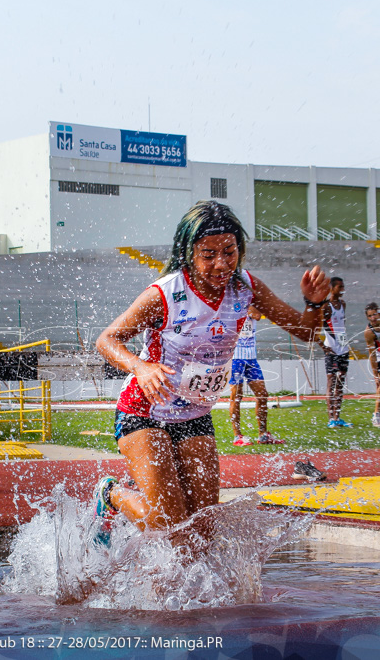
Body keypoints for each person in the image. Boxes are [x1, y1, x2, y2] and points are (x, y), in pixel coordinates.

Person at [95, 200, 327, 541]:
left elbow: (306, 332)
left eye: (229, 252)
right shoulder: (165, 293)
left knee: (203, 531)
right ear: (189, 252)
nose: (221, 264)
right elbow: (107, 339)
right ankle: (112, 493)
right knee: (168, 526)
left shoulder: (246, 287)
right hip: (145, 412)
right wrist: (140, 367)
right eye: (208, 254)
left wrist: (314, 304)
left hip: (195, 416)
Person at [228, 305, 283, 446]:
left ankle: (263, 434)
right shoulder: (230, 303)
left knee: (262, 394)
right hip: (235, 358)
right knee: (236, 396)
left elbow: (257, 315)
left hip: (251, 357)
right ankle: (237, 436)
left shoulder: (250, 303)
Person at [321, 276, 352, 428]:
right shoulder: (326, 306)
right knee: (331, 382)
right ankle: (330, 418)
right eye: (339, 287)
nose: (342, 290)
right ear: (331, 288)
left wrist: (345, 341)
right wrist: (323, 346)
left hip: (343, 349)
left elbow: (342, 326)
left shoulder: (343, 304)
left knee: (340, 384)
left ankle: (338, 416)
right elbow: (318, 326)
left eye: (343, 286)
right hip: (331, 350)